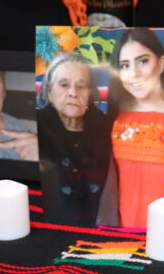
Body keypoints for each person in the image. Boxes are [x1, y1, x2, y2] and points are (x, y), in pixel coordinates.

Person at [36, 52, 118, 227]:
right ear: (50, 92)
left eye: (81, 86)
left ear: (90, 93)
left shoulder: (108, 128)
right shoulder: (36, 128)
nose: (73, 93)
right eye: (64, 85)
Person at [108, 28, 164, 229]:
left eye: (143, 61)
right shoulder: (114, 111)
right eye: (125, 65)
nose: (134, 74)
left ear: (161, 63)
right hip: (117, 231)